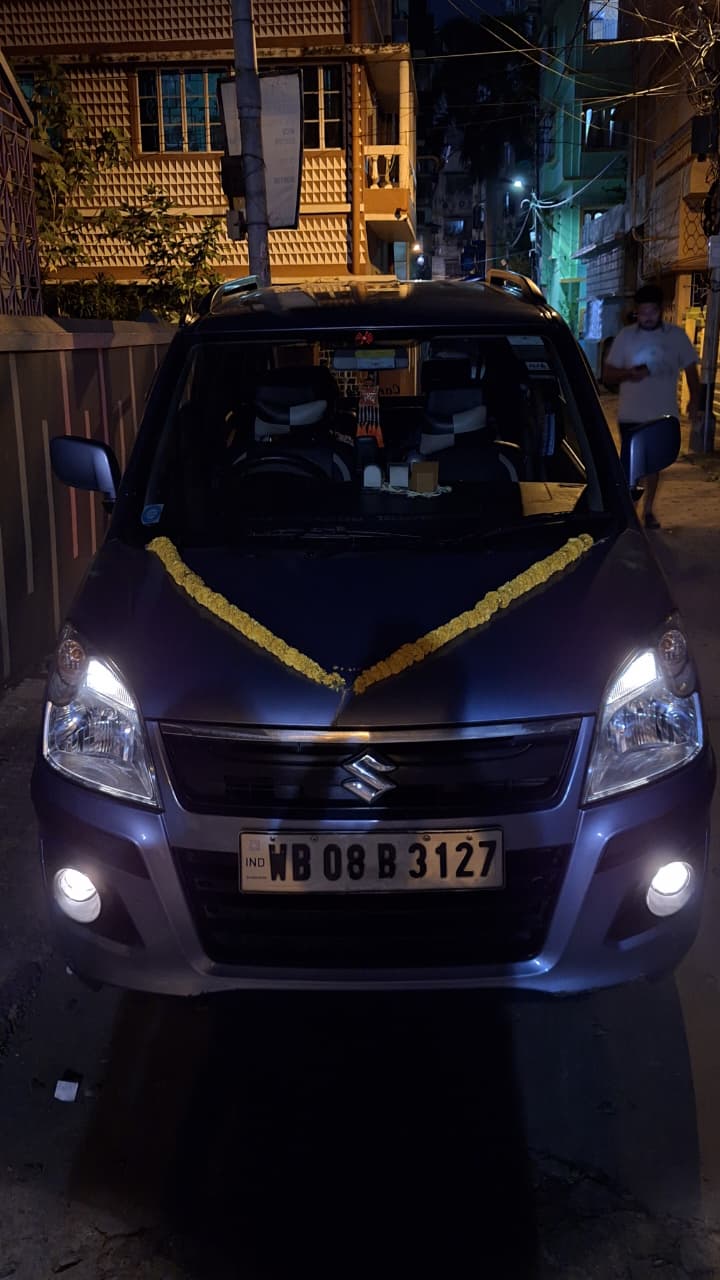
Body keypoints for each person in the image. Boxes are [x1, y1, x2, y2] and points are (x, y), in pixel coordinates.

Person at [602, 283, 702, 529]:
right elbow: (608, 374)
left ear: (661, 310)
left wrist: (695, 403)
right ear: (636, 311)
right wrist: (629, 373)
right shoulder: (626, 337)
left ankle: (647, 510)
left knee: (654, 464)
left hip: (662, 413)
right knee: (632, 465)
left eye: (652, 312)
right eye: (643, 312)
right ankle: (630, 511)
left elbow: (691, 371)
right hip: (631, 414)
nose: (647, 317)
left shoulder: (676, 337)